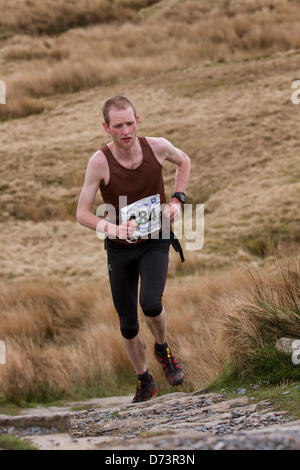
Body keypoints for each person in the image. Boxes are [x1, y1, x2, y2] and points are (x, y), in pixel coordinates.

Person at [76, 96, 191, 403]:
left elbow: (184, 161)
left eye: (130, 123)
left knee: (151, 303)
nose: (125, 130)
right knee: (128, 324)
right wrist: (114, 229)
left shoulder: (158, 147)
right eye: (118, 125)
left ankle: (163, 348)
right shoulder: (99, 162)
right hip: (120, 249)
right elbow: (82, 213)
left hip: (156, 238)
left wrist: (178, 199)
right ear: (106, 127)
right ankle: (144, 379)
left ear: (137, 120)